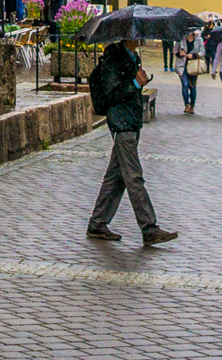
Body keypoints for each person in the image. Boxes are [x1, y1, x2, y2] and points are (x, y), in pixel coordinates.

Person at [86, 37, 176, 245]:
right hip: (122, 123)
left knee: (116, 177)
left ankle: (97, 223)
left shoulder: (131, 58)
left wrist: (138, 82)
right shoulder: (114, 60)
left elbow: (128, 90)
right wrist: (135, 83)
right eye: (138, 34)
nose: (141, 38)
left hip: (131, 121)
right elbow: (112, 95)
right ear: (129, 36)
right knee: (134, 177)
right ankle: (149, 227)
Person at [174, 26, 204, 114]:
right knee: (185, 84)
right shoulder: (181, 40)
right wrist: (179, 53)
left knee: (192, 86)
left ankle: (192, 106)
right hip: (182, 66)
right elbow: (174, 50)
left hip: (193, 66)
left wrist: (194, 55)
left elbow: (202, 52)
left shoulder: (199, 40)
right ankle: (186, 104)